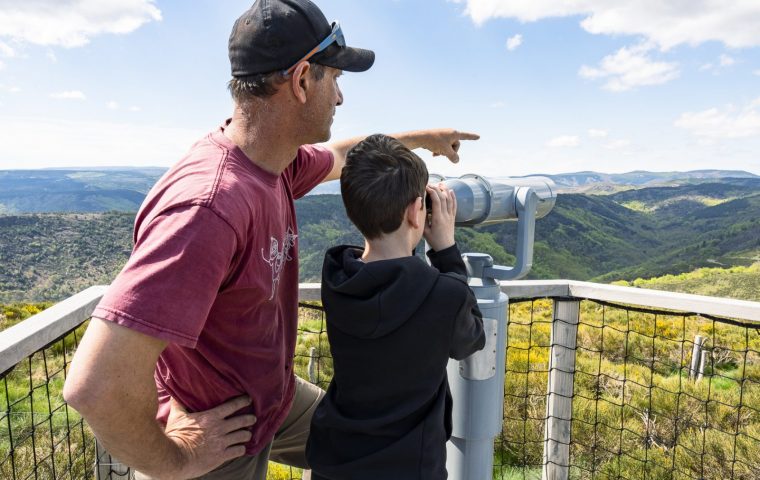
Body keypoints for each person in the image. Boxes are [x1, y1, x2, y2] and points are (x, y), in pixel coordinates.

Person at [63, 0, 479, 479]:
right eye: (335, 78)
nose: (340, 98)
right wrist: (176, 461)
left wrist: (425, 138)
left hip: (271, 402)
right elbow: (94, 385)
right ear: (303, 80)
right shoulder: (209, 208)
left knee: (371, 441)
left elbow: (345, 154)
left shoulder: (275, 162)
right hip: (220, 432)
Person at [305, 134, 486, 479]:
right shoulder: (444, 295)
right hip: (409, 468)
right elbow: (470, 340)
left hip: (335, 460)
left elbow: (391, 275)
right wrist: (446, 252)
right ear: (416, 212)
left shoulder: (337, 277)